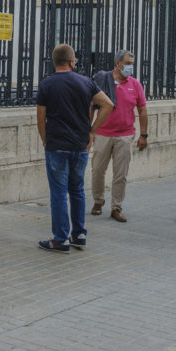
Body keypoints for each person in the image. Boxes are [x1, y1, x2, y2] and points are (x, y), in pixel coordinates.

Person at [36, 44, 114, 254]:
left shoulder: (46, 84)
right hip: (80, 144)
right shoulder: (86, 82)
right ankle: (79, 234)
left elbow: (41, 119)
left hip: (57, 144)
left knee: (59, 192)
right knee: (77, 190)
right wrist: (92, 131)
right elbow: (108, 105)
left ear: (55, 62)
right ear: (72, 62)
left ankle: (60, 239)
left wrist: (46, 141)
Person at [90, 49, 148, 223]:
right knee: (98, 171)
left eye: (132, 64)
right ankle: (98, 202)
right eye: (128, 63)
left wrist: (144, 134)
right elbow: (91, 106)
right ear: (117, 63)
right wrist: (89, 131)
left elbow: (142, 110)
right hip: (102, 134)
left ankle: (116, 207)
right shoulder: (102, 81)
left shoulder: (135, 84)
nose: (130, 67)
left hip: (125, 135)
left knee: (120, 174)